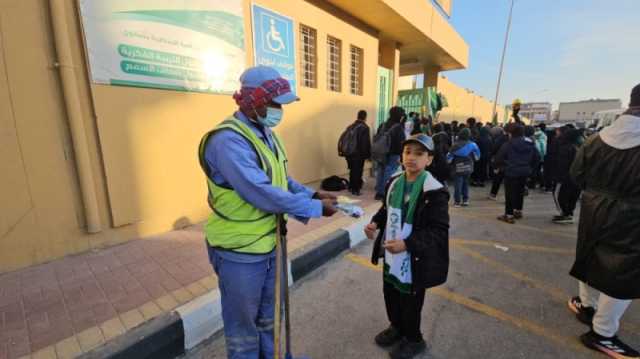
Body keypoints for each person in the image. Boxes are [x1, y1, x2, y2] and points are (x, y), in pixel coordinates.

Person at [198, 66, 338, 358]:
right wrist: (313, 207)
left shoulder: (266, 134)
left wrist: (312, 193)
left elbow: (280, 179)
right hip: (239, 249)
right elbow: (260, 191)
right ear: (254, 101)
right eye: (275, 103)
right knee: (243, 327)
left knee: (270, 316)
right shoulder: (227, 141)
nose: (279, 110)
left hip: (269, 242)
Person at [567, 84, 640, 358]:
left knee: (590, 254)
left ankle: (587, 306)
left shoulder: (595, 138)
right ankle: (603, 333)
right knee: (623, 274)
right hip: (632, 216)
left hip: (593, 206)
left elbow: (575, 175)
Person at [365, 134, 450, 359]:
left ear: (429, 160)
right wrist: (374, 222)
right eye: (407, 152)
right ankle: (396, 327)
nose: (411, 157)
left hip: (414, 258)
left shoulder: (434, 191)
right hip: (392, 253)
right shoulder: (394, 181)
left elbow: (438, 231)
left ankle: (414, 339)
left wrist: (408, 244)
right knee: (390, 293)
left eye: (419, 153)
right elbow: (385, 210)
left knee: (411, 301)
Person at [495, 124, 540, 223]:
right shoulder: (530, 143)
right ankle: (518, 211)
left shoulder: (509, 143)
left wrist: (502, 167)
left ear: (511, 133)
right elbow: (537, 157)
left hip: (511, 171)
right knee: (520, 192)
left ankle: (509, 215)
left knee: (510, 193)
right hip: (525, 172)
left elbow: (499, 157)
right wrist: (530, 168)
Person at [374, 107, 406, 200]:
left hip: (381, 152)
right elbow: (401, 143)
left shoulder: (383, 125)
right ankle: (384, 192)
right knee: (389, 171)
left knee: (381, 170)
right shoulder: (398, 127)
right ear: (399, 116)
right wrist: (401, 155)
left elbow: (377, 137)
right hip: (393, 153)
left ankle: (379, 192)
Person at [552, 129, 583, 224]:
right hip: (575, 178)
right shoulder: (578, 148)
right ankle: (568, 213)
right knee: (571, 196)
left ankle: (565, 213)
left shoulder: (566, 148)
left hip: (565, 178)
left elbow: (562, 165)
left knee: (558, 195)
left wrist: (558, 177)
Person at [447, 128, 481, 207]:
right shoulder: (473, 145)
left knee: (458, 185)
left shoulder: (455, 145)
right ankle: (465, 200)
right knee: (466, 184)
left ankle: (457, 202)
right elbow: (477, 157)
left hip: (458, 169)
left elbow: (449, 158)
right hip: (469, 168)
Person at [344, 110, 371, 196]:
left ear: (358, 116)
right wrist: (367, 155)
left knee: (352, 170)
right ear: (365, 117)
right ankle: (356, 189)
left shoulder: (351, 126)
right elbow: (365, 143)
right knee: (358, 171)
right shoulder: (365, 127)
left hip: (349, 153)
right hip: (358, 154)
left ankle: (351, 187)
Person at [488, 126, 508, 200]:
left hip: (500, 162)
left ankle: (493, 194)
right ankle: (509, 198)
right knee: (508, 182)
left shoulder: (499, 139)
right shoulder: (512, 139)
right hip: (510, 163)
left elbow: (494, 150)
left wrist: (494, 163)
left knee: (497, 179)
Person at [532, 124, 548, 190]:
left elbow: (540, 148)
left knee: (536, 171)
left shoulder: (539, 136)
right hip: (541, 157)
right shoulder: (544, 136)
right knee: (538, 171)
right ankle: (541, 184)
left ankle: (538, 183)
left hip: (539, 157)